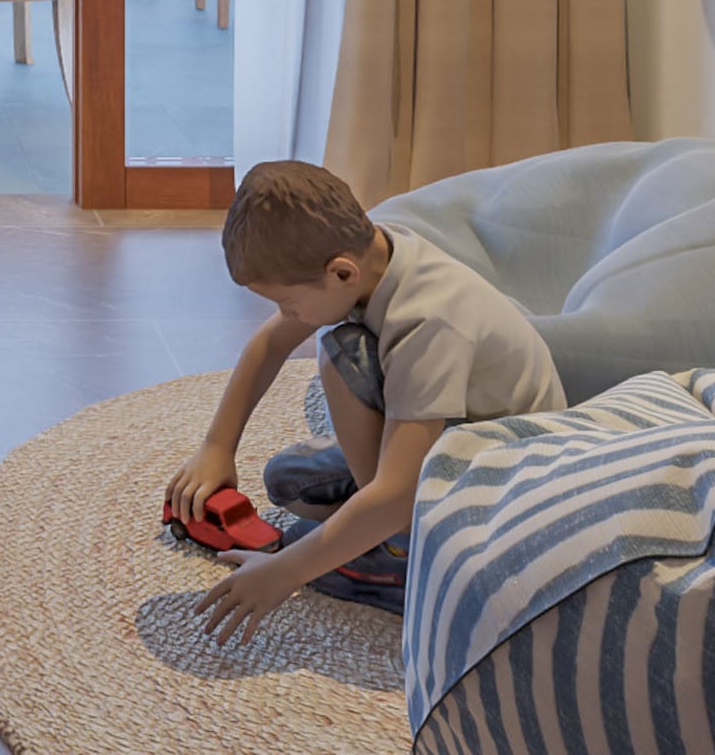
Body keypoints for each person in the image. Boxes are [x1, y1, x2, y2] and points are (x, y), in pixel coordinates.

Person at [167, 159, 565, 642]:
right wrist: (217, 446)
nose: (285, 316)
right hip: (450, 434)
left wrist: (283, 574)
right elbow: (269, 344)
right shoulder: (370, 255)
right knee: (287, 482)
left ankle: (403, 557)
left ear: (340, 273)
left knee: (341, 356)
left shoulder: (428, 321)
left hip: (502, 478)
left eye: (288, 303)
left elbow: (397, 494)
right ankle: (377, 528)